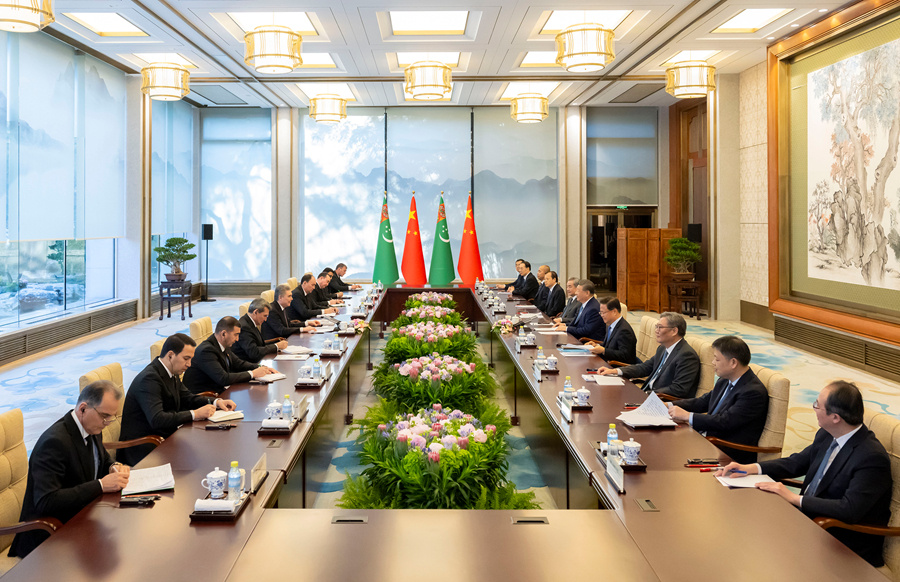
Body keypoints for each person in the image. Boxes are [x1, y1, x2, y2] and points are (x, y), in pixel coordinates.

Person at [717, 381, 892, 567]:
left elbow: (849, 509)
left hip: (841, 542)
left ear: (835, 417)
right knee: (743, 527)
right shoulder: (827, 434)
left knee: (760, 551)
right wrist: (751, 468)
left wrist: (794, 498)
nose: (813, 409)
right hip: (807, 522)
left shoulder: (871, 457)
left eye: (817, 405)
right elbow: (795, 463)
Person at [9, 381, 130, 558]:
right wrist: (100, 485)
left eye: (111, 417)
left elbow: (101, 457)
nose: (107, 423)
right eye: (105, 416)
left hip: (82, 517)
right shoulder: (54, 443)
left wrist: (113, 466)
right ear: (83, 409)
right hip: (49, 536)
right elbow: (46, 501)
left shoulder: (92, 426)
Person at [119, 334, 237, 465]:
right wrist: (194, 414)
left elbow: (187, 397)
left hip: (166, 437)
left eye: (191, 359)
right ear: (170, 355)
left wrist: (217, 402)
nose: (189, 364)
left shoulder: (171, 372)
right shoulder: (149, 379)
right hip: (144, 448)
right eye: (186, 359)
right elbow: (157, 419)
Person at [667, 335, 768, 463]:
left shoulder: (753, 392)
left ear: (733, 363)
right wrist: (669, 405)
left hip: (727, 453)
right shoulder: (725, 379)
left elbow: (725, 422)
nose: (713, 362)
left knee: (670, 454)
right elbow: (703, 402)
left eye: (717, 359)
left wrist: (688, 416)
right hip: (706, 439)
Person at [598, 312, 699, 399]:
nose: (656, 330)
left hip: (662, 402)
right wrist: (616, 371)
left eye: (660, 327)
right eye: (656, 327)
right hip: (648, 394)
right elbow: (645, 367)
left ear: (674, 331)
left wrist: (647, 394)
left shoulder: (686, 355)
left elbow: (679, 389)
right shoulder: (663, 348)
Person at [183, 317, 277, 395]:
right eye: (236, 335)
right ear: (223, 334)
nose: (237, 339)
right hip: (204, 398)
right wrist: (253, 374)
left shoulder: (223, 344)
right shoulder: (206, 351)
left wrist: (261, 367)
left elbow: (239, 363)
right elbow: (223, 378)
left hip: (220, 391)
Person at [232, 298, 289, 363]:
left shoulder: (250, 322)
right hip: (248, 364)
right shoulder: (244, 327)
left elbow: (259, 344)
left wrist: (277, 343)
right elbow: (254, 352)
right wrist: (276, 346)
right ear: (255, 312)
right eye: (265, 316)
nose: (265, 319)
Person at [587, 297, 638, 365]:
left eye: (603, 312)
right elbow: (610, 345)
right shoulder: (611, 324)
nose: (602, 315)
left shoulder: (624, 330)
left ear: (614, 312)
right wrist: (597, 345)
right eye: (600, 313)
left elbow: (625, 356)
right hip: (607, 362)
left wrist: (604, 350)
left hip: (616, 366)